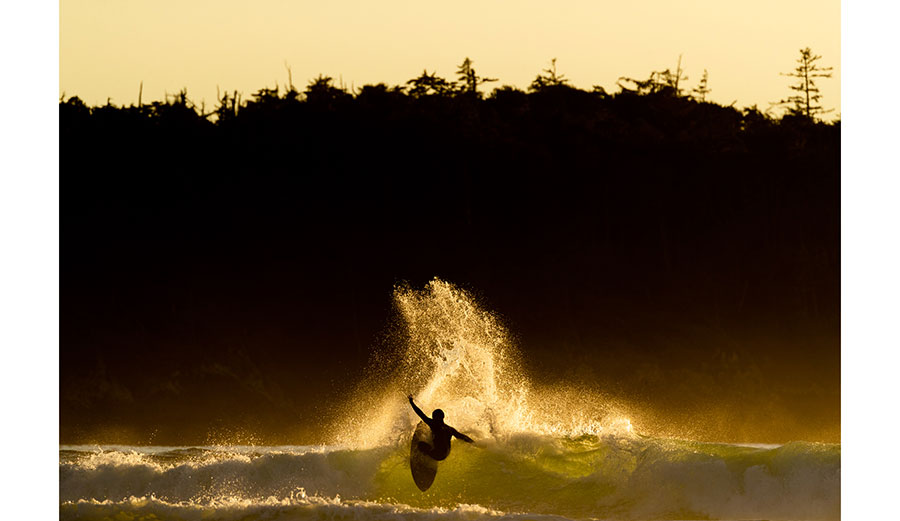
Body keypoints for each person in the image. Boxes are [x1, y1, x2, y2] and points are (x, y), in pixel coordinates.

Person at [407, 395, 474, 460]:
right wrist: (474, 443)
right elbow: (462, 436)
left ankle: (422, 459)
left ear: (434, 417)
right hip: (446, 454)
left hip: (438, 455)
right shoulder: (449, 429)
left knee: (420, 444)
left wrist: (411, 402)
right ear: (443, 417)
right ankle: (432, 451)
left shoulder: (434, 424)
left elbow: (420, 414)